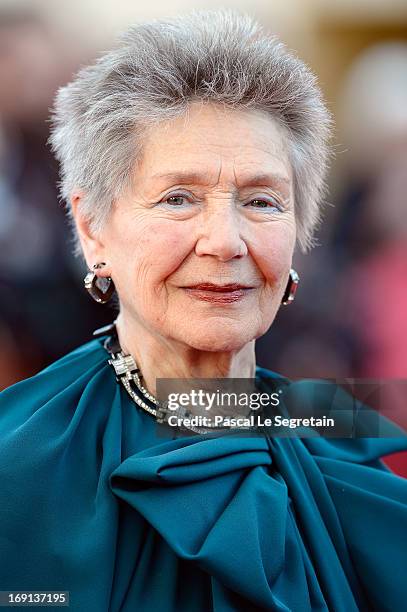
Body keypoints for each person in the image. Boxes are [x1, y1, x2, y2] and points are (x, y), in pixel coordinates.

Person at [0, 9, 406, 611]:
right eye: (178, 198)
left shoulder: (343, 425)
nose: (225, 240)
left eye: (263, 201)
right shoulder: (17, 461)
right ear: (93, 230)